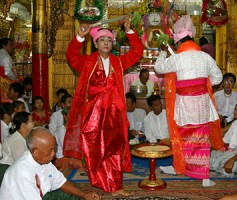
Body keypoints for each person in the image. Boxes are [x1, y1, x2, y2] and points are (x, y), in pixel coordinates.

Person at [64, 17, 144, 196]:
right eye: (102, 40)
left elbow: (138, 52)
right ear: (96, 43)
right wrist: (79, 37)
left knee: (115, 147)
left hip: (114, 111)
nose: (106, 43)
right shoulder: (87, 61)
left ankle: (116, 185)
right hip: (93, 112)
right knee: (95, 149)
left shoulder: (119, 62)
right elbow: (71, 56)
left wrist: (130, 31)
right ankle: (102, 181)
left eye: (109, 40)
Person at [154, 15, 224, 187]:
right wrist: (203, 83)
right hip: (202, 103)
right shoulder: (205, 57)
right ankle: (204, 176)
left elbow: (159, 68)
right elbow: (218, 78)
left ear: (178, 43)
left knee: (183, 137)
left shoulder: (177, 58)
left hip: (185, 104)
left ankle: (180, 166)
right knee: (202, 138)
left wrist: (163, 51)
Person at [0, 127, 100, 199]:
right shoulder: (22, 172)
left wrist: (84, 195)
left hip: (43, 194)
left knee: (75, 189)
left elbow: (61, 182)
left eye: (54, 148)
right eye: (50, 150)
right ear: (35, 151)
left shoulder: (44, 161)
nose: (54, 153)